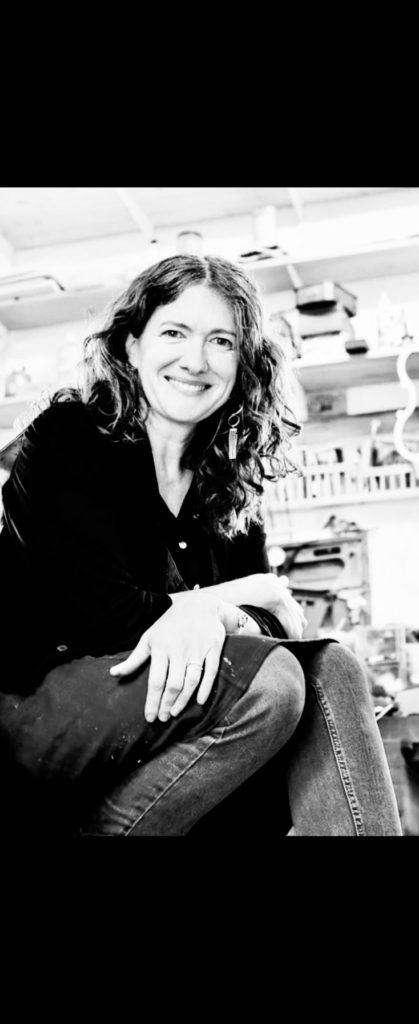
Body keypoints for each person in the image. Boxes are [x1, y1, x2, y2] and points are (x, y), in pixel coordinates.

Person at [0, 254, 402, 837]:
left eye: (221, 341)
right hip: (39, 706)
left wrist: (220, 612)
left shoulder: (227, 484)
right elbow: (100, 618)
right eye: (174, 333)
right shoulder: (68, 438)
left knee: (330, 667)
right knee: (271, 684)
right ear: (132, 345)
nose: (196, 360)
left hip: (164, 708)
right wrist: (242, 595)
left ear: (242, 363)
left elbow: (276, 627)